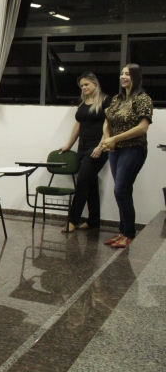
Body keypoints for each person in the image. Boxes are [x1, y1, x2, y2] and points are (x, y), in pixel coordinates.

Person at [101, 64, 153, 249]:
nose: (123, 77)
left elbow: (142, 128)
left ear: (136, 77)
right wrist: (107, 139)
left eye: (128, 74)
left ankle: (129, 233)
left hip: (133, 149)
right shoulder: (117, 99)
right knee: (123, 191)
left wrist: (114, 139)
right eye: (122, 73)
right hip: (115, 150)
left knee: (120, 190)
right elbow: (107, 121)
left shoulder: (143, 99)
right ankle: (123, 231)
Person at [59, 73, 112, 233]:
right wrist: (69, 145)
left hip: (98, 147)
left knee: (82, 181)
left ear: (95, 83)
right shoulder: (83, 103)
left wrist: (101, 146)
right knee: (90, 182)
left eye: (86, 84)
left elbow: (110, 124)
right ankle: (93, 221)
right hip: (83, 147)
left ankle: (72, 220)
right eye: (82, 85)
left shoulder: (105, 100)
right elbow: (77, 126)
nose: (84, 87)